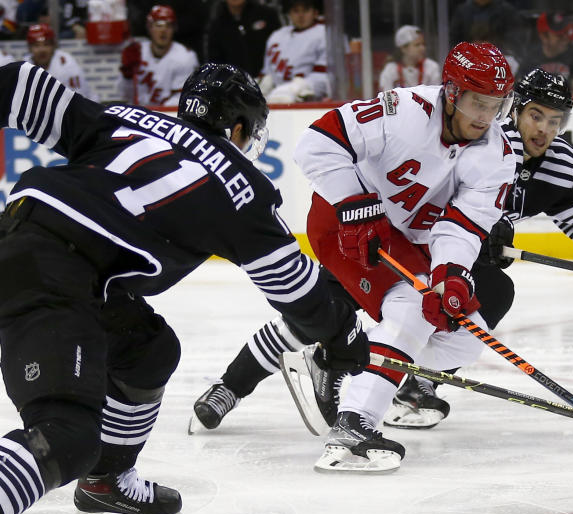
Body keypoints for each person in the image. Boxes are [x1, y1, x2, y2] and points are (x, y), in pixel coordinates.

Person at [191, 67, 573, 444]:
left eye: (556, 121)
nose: (545, 130)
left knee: (486, 297)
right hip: (387, 234)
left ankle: (418, 379)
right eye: (537, 115)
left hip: (447, 253)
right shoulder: (482, 136)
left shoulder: (554, 162)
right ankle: (233, 385)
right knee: (320, 315)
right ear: (516, 110)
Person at [0, 61, 367, 514]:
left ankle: (106, 483)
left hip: (34, 244)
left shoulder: (125, 118)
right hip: (52, 273)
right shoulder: (242, 188)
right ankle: (92, 466)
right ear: (237, 128)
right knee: (65, 436)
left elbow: (17, 85)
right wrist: (343, 335)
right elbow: (298, 292)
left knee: (147, 350)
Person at [192, 42, 517, 473]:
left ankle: (341, 358)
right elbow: (316, 143)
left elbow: (461, 227)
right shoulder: (404, 111)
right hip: (345, 224)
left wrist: (450, 275)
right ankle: (352, 427)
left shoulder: (497, 155)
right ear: (453, 92)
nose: (485, 116)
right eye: (478, 102)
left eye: (496, 105)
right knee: (408, 309)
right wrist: (356, 201)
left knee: (464, 338)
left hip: (408, 242)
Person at [117, 5, 199, 106]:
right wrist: (127, 76)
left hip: (169, 116)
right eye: (158, 25)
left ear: (174, 29)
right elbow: (124, 95)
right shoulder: (137, 52)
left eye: (168, 25)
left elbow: (183, 99)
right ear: (149, 28)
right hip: (139, 114)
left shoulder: (186, 57)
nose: (163, 30)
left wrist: (155, 114)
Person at [259, 0, 335, 103]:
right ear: (289, 13)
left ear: (315, 12)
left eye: (306, 10)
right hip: (274, 96)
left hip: (311, 100)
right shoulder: (277, 36)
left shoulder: (325, 33)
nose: (300, 15)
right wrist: (265, 82)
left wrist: (300, 87)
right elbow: (267, 72)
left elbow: (325, 77)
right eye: (296, 11)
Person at [517, 10, 573, 98]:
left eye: (566, 32)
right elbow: (520, 92)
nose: (565, 38)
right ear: (544, 36)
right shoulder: (530, 59)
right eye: (559, 35)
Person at [203, 0, 281, 78]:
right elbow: (215, 64)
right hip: (235, 84)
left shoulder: (267, 14)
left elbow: (281, 46)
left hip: (271, 79)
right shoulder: (217, 26)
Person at [24, 23, 99, 100]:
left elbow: (78, 101)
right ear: (29, 48)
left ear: (54, 46)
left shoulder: (67, 65)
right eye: (36, 45)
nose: (42, 50)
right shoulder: (24, 66)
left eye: (46, 44)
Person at [377, 25, 441, 92]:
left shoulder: (432, 66)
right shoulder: (390, 69)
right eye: (417, 45)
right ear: (403, 48)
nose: (422, 48)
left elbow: (437, 96)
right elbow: (385, 97)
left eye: (423, 44)